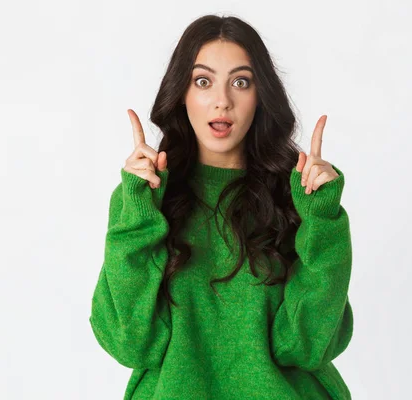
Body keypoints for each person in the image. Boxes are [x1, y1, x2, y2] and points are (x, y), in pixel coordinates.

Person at [89, 14, 354, 400]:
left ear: (259, 95)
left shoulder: (299, 197)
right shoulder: (145, 197)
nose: (222, 101)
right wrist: (138, 211)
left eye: (241, 82)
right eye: (203, 81)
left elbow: (305, 346)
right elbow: (129, 342)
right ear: (182, 92)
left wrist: (323, 219)